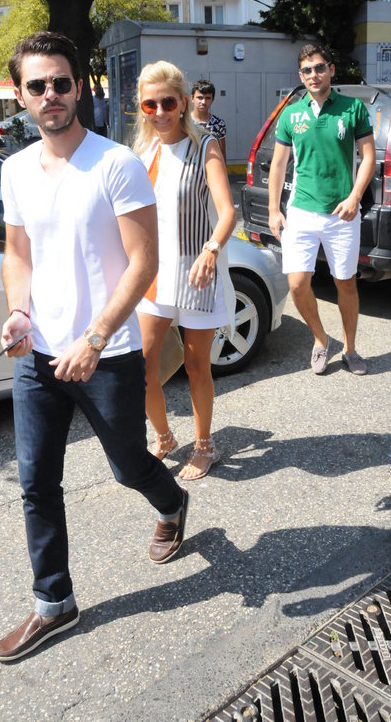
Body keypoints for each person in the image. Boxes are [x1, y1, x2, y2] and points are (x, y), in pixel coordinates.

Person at [0, 32, 187, 663]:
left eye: (61, 82)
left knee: (128, 466)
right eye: (38, 85)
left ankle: (172, 501)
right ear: (21, 94)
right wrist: (18, 312)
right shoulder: (15, 169)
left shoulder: (115, 164)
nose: (51, 94)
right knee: (35, 482)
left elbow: (144, 260)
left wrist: (96, 337)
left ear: (79, 87)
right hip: (39, 355)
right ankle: (54, 602)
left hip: (110, 351)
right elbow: (18, 253)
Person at [134, 61, 236, 481]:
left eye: (167, 103)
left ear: (181, 103)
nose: (159, 112)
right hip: (153, 275)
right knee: (143, 368)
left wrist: (211, 249)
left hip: (197, 272)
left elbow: (227, 212)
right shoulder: (141, 155)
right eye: (150, 104)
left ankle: (204, 444)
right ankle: (163, 437)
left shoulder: (205, 146)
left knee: (197, 367)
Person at [268, 43, 375, 375]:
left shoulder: (353, 108)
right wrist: (274, 209)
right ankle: (320, 339)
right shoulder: (291, 114)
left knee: (345, 283)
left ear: (331, 69)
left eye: (318, 67)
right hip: (301, 212)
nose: (313, 74)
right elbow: (278, 165)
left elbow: (368, 157)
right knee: (297, 284)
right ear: (300, 76)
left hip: (342, 214)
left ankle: (350, 349)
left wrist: (355, 197)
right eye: (306, 70)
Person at [190, 79, 226, 161]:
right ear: (192, 98)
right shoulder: (184, 122)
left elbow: (222, 153)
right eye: (200, 98)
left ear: (212, 100)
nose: (203, 102)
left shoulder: (219, 124)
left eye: (208, 98)